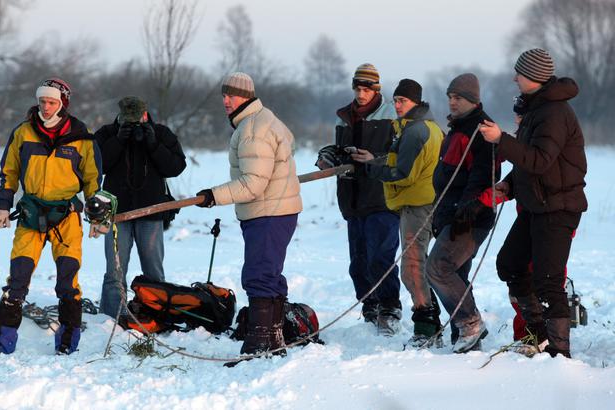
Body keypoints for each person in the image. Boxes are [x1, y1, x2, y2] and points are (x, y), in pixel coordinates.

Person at [480, 48, 587, 358]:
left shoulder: (554, 113)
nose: (515, 78)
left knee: (548, 281)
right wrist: (509, 185)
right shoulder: (536, 110)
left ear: (534, 77)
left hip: (558, 207)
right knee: (510, 264)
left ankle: (559, 353)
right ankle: (537, 334)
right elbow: (530, 164)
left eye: (520, 73)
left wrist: (501, 138)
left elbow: (540, 161)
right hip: (537, 205)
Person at [0, 78, 103, 356]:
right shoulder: (23, 133)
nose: (46, 107)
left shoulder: (82, 136)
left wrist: (98, 215)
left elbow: (93, 180)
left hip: (67, 218)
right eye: (42, 102)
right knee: (17, 281)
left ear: (62, 104)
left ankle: (67, 345)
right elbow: (9, 173)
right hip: (30, 215)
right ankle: (1, 346)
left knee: (68, 283)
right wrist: (3, 205)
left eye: (51, 102)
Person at [195, 72, 302, 363]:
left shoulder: (255, 129)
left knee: (259, 275)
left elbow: (254, 183)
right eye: (224, 95)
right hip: (272, 210)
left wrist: (213, 195)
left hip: (269, 211)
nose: (226, 101)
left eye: (232, 95)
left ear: (247, 96)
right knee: (269, 275)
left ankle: (258, 345)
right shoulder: (259, 121)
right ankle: (273, 340)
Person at [354, 79, 443, 347]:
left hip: (418, 206)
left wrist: (371, 167)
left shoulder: (416, 131)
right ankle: (433, 325)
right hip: (419, 204)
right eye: (395, 100)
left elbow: (402, 173)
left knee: (412, 269)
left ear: (416, 102)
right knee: (422, 266)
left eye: (403, 101)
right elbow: (401, 162)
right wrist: (377, 160)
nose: (398, 105)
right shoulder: (425, 128)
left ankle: (427, 329)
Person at [315, 63, 402, 335]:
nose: (361, 94)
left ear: (376, 89)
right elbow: (340, 150)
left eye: (367, 89)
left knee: (381, 256)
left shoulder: (392, 116)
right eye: (358, 88)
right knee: (359, 262)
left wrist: (374, 159)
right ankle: (369, 306)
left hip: (382, 197)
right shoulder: (344, 117)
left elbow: (402, 156)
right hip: (352, 199)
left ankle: (389, 307)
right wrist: (329, 155)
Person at [425, 73, 501, 353]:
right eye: (450, 97)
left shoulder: (481, 131)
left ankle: (470, 323)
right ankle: (467, 339)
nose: (452, 102)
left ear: (472, 100)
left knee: (438, 268)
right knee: (456, 274)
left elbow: (484, 174)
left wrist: (468, 206)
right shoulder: (457, 129)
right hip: (449, 213)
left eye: (458, 97)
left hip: (469, 216)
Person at [95, 97, 187, 319]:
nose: (134, 124)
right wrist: (118, 140)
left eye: (137, 120)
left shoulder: (161, 133)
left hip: (152, 211)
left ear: (145, 115)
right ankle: (111, 316)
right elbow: (96, 166)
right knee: (115, 270)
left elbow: (176, 166)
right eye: (128, 121)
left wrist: (153, 143)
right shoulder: (107, 133)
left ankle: (157, 312)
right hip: (117, 213)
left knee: (153, 269)